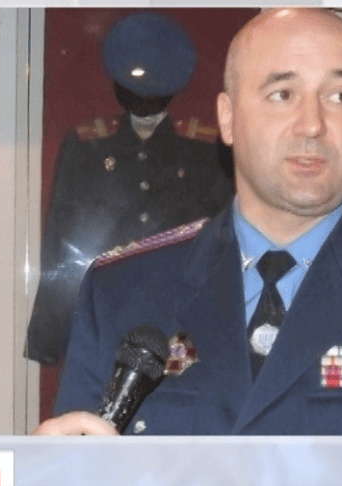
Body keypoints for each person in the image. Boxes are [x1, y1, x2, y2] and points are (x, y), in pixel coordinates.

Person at [34, 8, 342, 436]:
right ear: (227, 118)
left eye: (340, 96)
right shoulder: (120, 292)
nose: (313, 124)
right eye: (282, 94)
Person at [25, 12, 233, 364]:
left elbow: (224, 241)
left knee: (179, 392)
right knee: (103, 394)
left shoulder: (203, 150)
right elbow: (61, 239)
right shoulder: (87, 146)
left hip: (181, 321)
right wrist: (50, 330)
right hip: (106, 315)